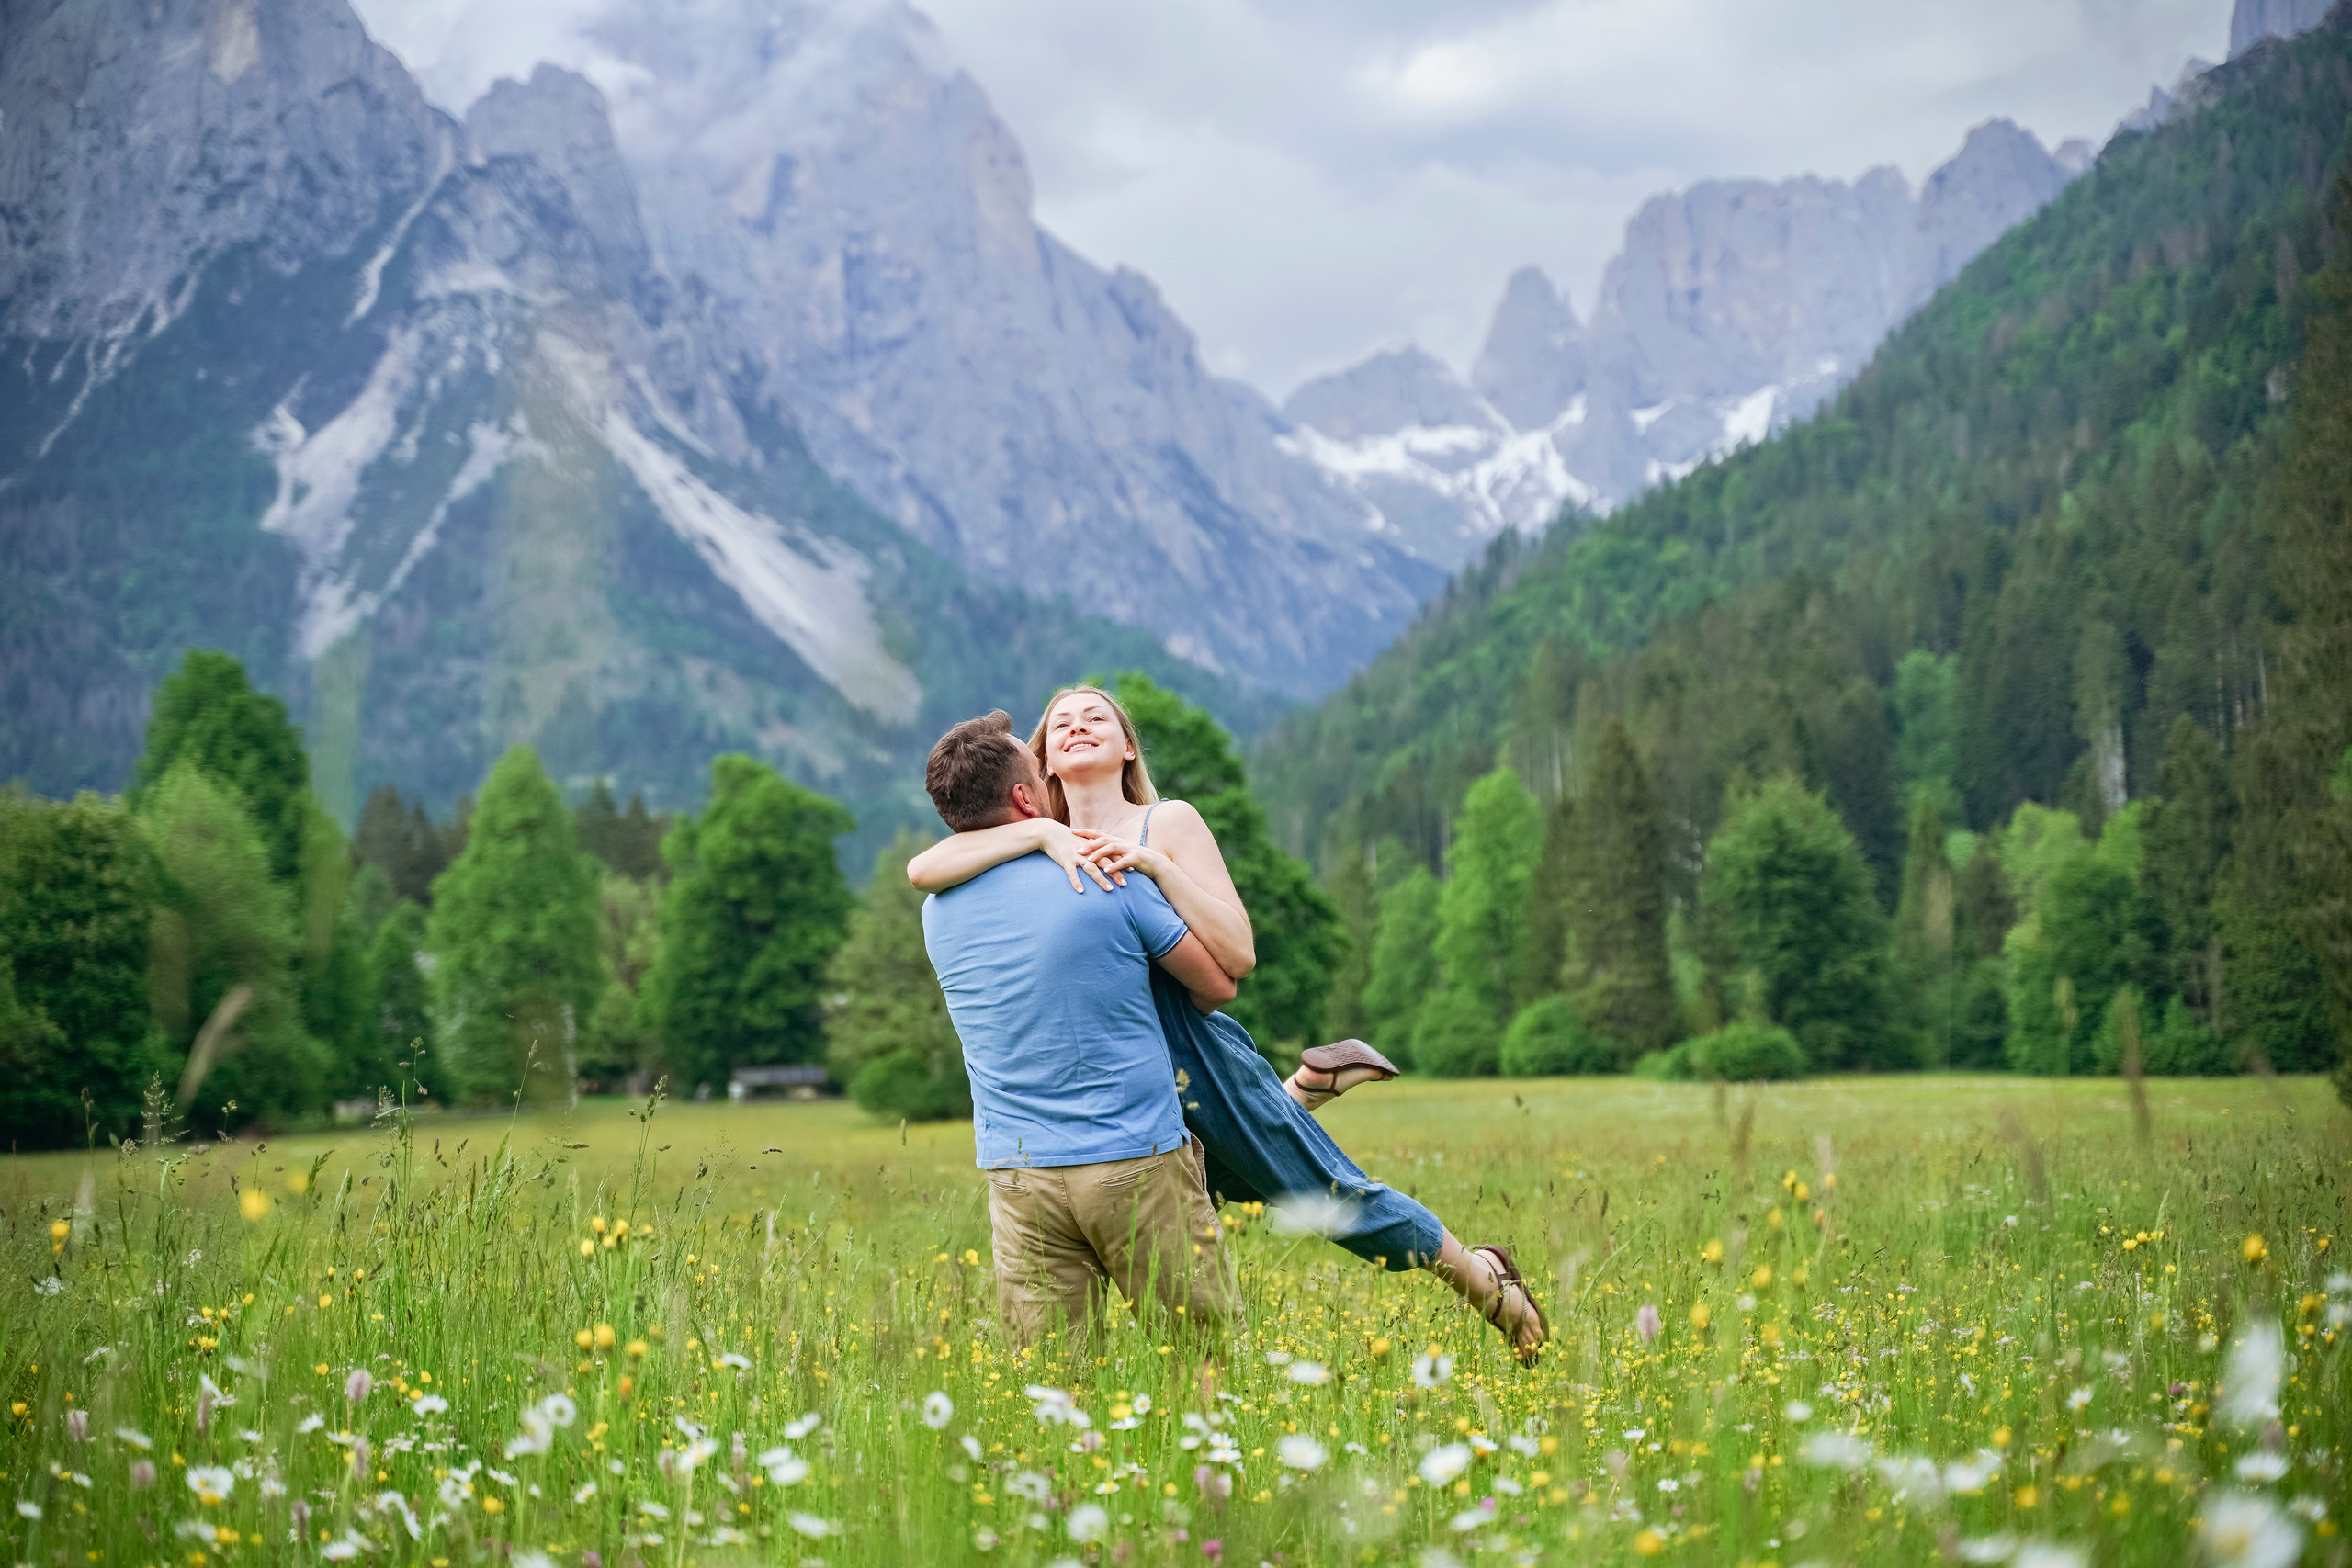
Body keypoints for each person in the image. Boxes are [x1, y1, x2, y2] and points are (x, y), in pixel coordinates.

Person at [910, 686, 1547, 1363]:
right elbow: (924, 867)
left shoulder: (1166, 822)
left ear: (1128, 747)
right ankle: (1305, 1088)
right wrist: (1041, 832)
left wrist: (1155, 869)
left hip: (1193, 1051)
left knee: (1323, 1193)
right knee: (1222, 1186)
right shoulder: (1034, 841)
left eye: (1098, 716)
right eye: (1061, 722)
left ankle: (1486, 1280)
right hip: (1120, 1085)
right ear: (1039, 772)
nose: (1078, 725)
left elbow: (1234, 960)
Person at [918, 710, 1240, 1354]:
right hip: (1133, 1160)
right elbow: (1216, 985)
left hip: (1018, 1174)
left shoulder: (936, 910)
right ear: (1024, 797)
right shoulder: (1105, 874)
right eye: (1039, 772)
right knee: (1206, 1364)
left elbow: (929, 865)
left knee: (1055, 1391)